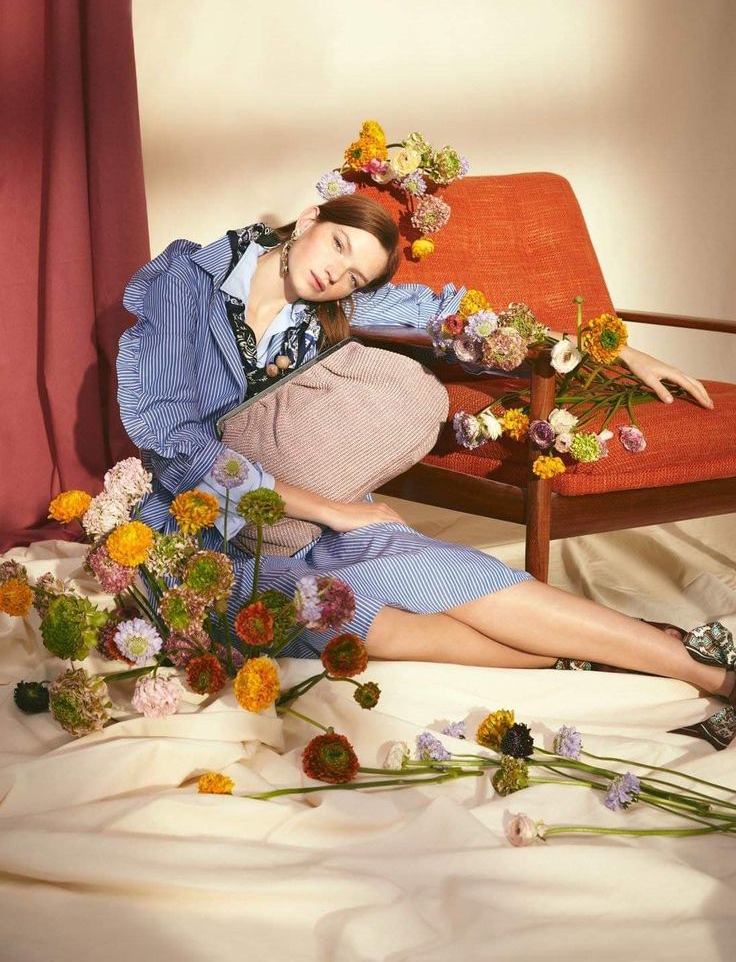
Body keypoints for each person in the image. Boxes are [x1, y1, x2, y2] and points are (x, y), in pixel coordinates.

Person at [117, 194, 736, 748]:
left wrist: (611, 346)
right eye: (337, 244)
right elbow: (173, 440)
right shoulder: (188, 279)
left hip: (307, 517)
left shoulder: (329, 306)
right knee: (367, 625)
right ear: (310, 220)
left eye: (353, 275)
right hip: (200, 539)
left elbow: (456, 318)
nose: (335, 272)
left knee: (452, 575)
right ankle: (581, 659)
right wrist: (335, 509)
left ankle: (704, 668)